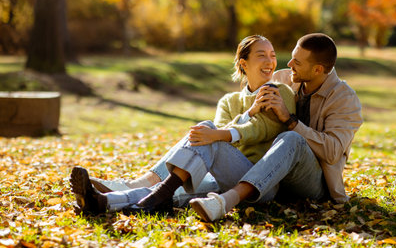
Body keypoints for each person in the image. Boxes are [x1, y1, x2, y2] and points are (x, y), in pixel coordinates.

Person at [70, 35, 296, 215]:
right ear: (244, 63)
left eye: (272, 55)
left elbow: (264, 130)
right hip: (223, 175)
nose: (270, 62)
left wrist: (225, 131)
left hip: (259, 180)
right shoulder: (229, 101)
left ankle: (150, 186)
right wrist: (250, 112)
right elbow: (217, 140)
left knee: (206, 131)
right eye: (261, 55)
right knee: (178, 191)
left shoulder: (280, 91)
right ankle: (101, 202)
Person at [189, 33, 363, 222]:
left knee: (292, 139)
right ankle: (155, 194)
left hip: (313, 182)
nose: (288, 64)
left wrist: (290, 121)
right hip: (270, 175)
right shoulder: (283, 78)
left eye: (297, 61)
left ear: (317, 69)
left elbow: (333, 152)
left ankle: (226, 201)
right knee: (197, 168)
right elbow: (249, 114)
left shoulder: (344, 98)